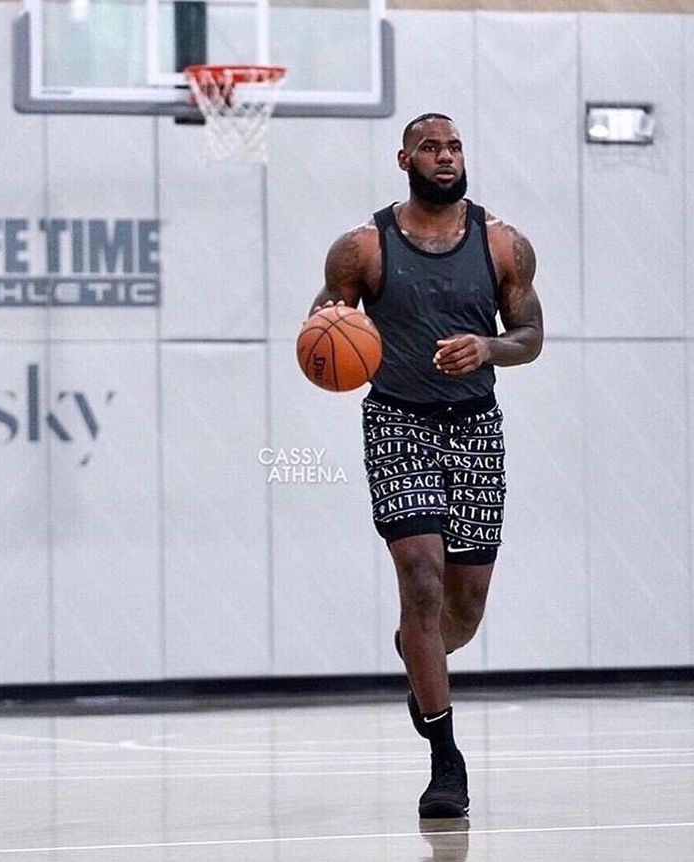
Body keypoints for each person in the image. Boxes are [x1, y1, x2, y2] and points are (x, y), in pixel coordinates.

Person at [308, 113, 544, 819]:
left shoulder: (502, 243)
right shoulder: (360, 248)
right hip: (397, 419)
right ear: (403, 158)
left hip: (474, 424)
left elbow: (530, 336)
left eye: (453, 147)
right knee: (418, 574)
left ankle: (422, 660)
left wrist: (488, 347)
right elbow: (324, 324)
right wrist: (330, 334)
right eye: (430, 148)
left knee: (461, 614)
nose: (444, 157)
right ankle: (446, 762)